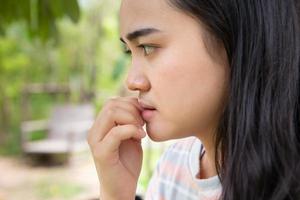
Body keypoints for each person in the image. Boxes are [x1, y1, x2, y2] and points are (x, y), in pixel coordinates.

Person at [87, 0, 300, 199]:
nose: (132, 81)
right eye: (129, 52)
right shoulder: (171, 170)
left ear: (231, 35)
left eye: (147, 47)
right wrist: (116, 194)